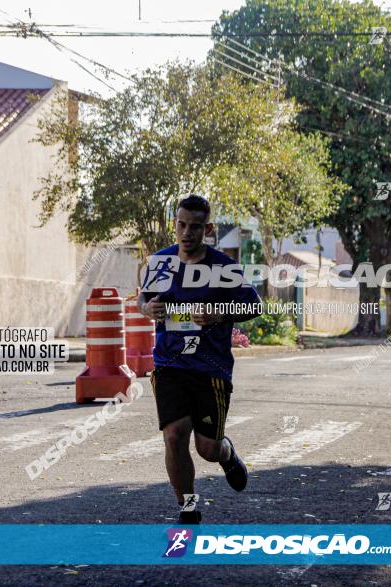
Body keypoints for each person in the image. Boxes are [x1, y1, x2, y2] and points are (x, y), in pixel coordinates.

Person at [138, 195, 262, 524]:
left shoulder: (224, 267)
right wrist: (146, 309)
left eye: (195, 227)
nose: (187, 232)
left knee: (207, 448)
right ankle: (189, 507)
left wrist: (220, 314)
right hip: (170, 364)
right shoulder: (160, 262)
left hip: (211, 368)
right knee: (174, 435)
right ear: (175, 224)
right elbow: (143, 298)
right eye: (181, 225)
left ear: (207, 228)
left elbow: (253, 306)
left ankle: (227, 453)